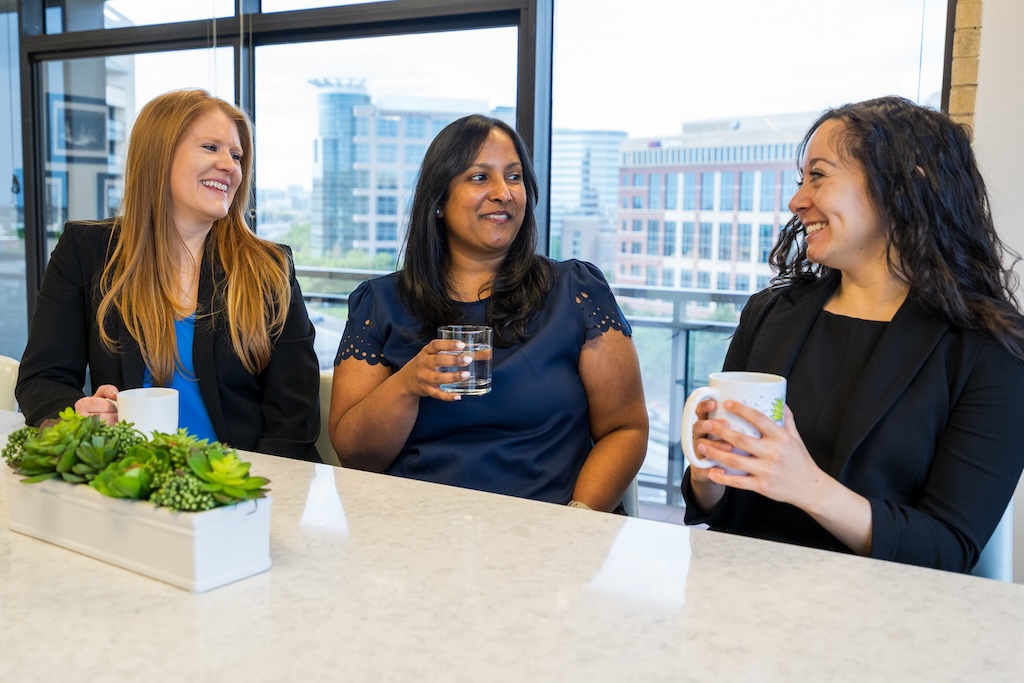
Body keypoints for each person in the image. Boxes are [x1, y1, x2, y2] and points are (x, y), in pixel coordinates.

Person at [684, 96, 1024, 572]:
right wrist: (709, 472)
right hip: (740, 592)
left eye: (818, 176)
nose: (797, 200)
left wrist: (806, 485)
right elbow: (718, 506)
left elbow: (948, 551)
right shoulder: (770, 314)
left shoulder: (990, 350)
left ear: (906, 187)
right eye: (801, 179)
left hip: (882, 617)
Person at [328, 114, 648, 511]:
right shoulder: (381, 303)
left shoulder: (575, 290)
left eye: (513, 177)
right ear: (438, 201)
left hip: (552, 534)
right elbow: (355, 457)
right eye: (480, 177)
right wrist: (408, 384)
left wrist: (576, 521)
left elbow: (626, 428)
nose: (503, 193)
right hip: (417, 533)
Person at [16, 89, 321, 461]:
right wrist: (77, 412)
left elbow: (294, 422)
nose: (230, 166)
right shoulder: (86, 250)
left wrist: (242, 498)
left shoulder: (269, 268)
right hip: (125, 485)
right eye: (211, 147)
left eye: (237, 155)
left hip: (241, 490)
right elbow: (42, 381)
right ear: (158, 156)